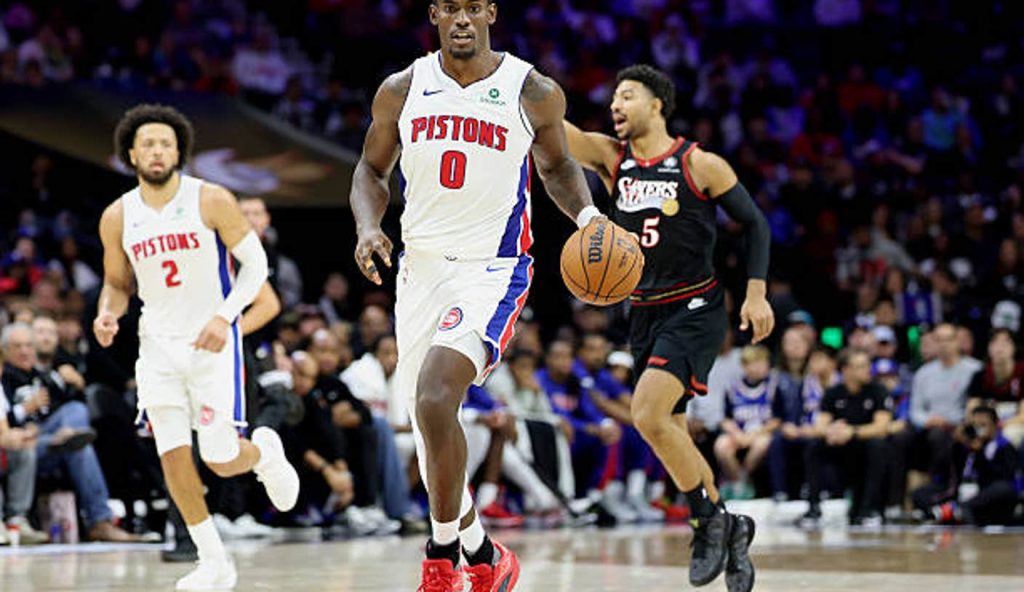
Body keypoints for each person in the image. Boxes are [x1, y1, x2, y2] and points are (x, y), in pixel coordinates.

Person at [349, 1, 618, 590]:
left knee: (437, 395)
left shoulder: (532, 90)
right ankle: (482, 552)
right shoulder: (402, 88)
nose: (462, 19)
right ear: (435, 15)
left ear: (491, 12)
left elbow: (557, 168)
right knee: (427, 425)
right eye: (450, 8)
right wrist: (370, 228)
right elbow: (370, 172)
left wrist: (591, 216)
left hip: (491, 268)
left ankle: (441, 559)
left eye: (473, 6)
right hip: (417, 270)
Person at [564, 64, 774, 590]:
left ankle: (706, 522)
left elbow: (755, 224)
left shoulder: (698, 163)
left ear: (657, 104)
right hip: (644, 311)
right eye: (613, 97)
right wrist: (505, 81)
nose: (616, 105)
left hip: (697, 308)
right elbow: (552, 128)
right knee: (672, 433)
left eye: (627, 96)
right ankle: (732, 524)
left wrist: (756, 292)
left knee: (648, 416)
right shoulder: (614, 161)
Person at [92, 104, 299, 590]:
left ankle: (264, 454)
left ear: (180, 151)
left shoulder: (212, 199)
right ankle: (213, 561)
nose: (157, 150)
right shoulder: (118, 215)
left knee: (220, 457)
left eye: (165, 143)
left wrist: (224, 318)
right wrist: (108, 313)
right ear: (130, 153)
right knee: (173, 455)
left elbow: (256, 269)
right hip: (157, 348)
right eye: (148, 143)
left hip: (211, 345)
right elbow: (117, 284)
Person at [803, 349, 892, 527]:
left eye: (867, 365)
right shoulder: (833, 392)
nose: (867, 370)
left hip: (864, 444)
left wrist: (852, 431)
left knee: (878, 445)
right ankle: (813, 508)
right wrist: (832, 431)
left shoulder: (878, 390)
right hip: (840, 444)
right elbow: (820, 425)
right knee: (814, 445)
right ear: (845, 370)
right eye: (860, 366)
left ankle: (869, 510)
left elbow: (882, 427)